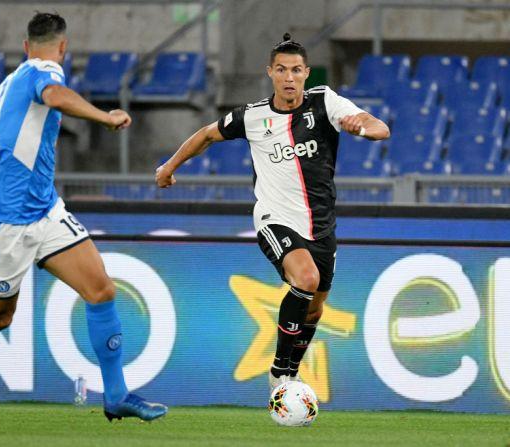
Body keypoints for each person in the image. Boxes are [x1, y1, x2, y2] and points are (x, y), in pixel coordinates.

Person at [0, 12, 167, 426]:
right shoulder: (44, 71)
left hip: (44, 212)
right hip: (3, 228)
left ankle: (115, 395)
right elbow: (54, 95)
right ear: (62, 47)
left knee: (101, 289)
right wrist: (106, 117)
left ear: (25, 46)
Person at [156, 33, 390, 389]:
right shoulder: (252, 117)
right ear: (270, 73)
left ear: (307, 73)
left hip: (321, 225)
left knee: (314, 307)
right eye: (282, 69)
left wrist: (367, 128)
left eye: (296, 70)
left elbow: (378, 125)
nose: (289, 77)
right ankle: (280, 371)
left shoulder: (324, 102)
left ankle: (291, 372)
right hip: (274, 219)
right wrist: (169, 167)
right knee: (306, 280)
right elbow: (205, 134)